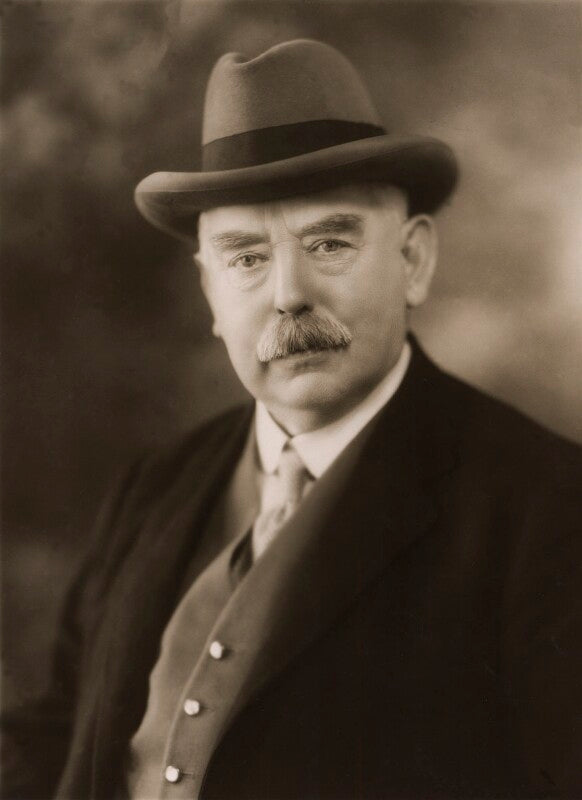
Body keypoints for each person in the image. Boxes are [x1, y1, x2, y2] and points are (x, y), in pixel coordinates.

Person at [3, 38, 582, 800]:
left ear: (413, 261)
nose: (288, 295)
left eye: (329, 242)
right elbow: (58, 736)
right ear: (211, 293)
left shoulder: (548, 510)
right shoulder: (154, 491)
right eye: (246, 258)